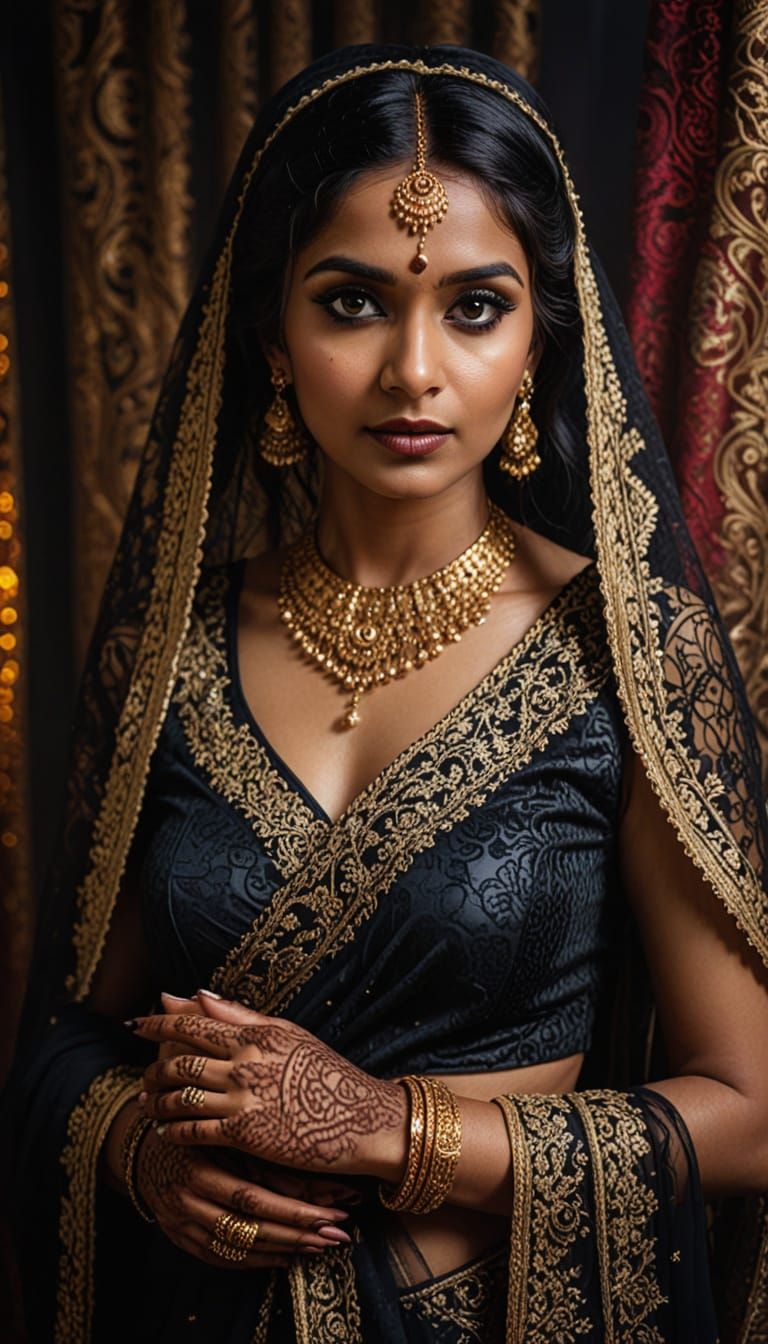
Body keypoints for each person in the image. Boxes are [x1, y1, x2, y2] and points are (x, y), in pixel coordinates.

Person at [8, 41, 768, 1344]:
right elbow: (67, 1040)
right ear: (272, 336)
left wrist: (388, 1131)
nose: (415, 369)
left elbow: (753, 1109)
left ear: (539, 341)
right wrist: (140, 1149)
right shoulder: (175, 648)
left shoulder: (626, 652)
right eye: (352, 302)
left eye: (476, 306)